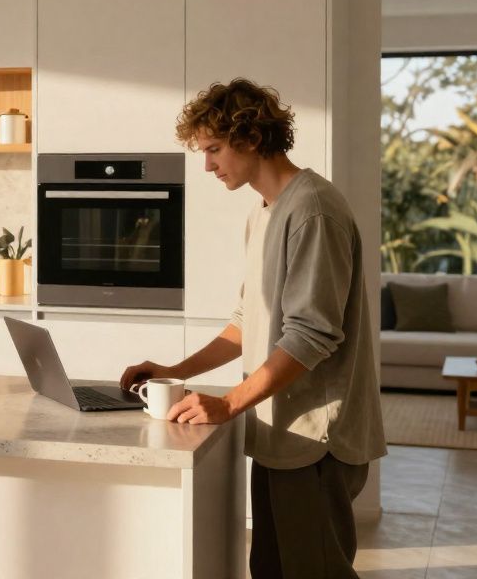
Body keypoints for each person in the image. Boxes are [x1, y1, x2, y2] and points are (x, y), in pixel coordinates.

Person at [120, 78, 386, 579]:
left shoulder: (314, 211)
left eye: (214, 149)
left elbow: (311, 335)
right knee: (269, 568)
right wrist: (174, 371)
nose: (207, 165)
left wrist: (228, 403)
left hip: (316, 437)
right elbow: (249, 322)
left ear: (249, 138)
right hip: (278, 428)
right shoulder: (265, 211)